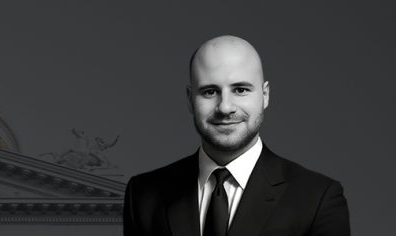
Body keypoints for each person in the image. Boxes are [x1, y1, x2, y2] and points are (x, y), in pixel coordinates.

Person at [123, 35, 349, 236]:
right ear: (190, 99)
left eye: (241, 89)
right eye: (210, 92)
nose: (225, 107)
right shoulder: (143, 196)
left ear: (265, 95)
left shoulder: (318, 198)